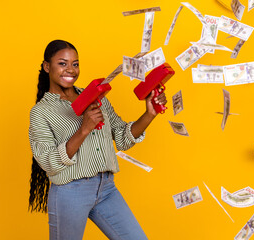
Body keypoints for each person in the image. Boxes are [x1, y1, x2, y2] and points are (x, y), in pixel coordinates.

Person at [28, 40, 167, 240]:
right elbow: (49, 162)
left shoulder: (95, 97)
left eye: (75, 64)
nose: (71, 70)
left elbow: (122, 138)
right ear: (47, 66)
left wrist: (149, 115)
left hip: (107, 188)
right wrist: (84, 129)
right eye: (62, 63)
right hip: (70, 192)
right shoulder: (41, 112)